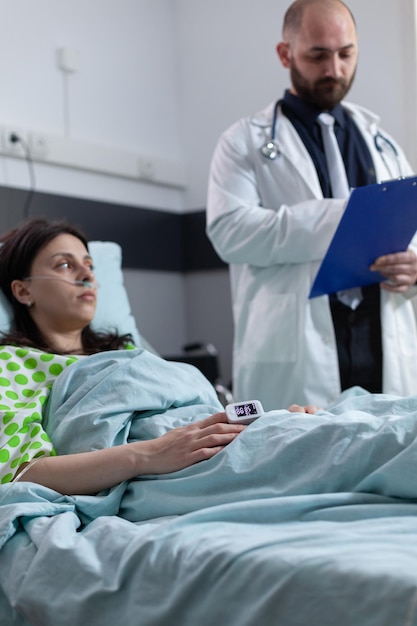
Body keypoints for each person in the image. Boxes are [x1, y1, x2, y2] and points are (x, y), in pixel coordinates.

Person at [0, 217, 315, 495]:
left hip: (209, 447)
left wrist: (268, 422)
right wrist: (151, 454)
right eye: (65, 265)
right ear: (23, 291)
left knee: (318, 429)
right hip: (166, 470)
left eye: (90, 265)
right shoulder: (11, 364)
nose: (87, 275)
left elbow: (198, 422)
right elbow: (20, 472)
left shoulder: (127, 355)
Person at [206, 0, 417, 411]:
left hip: (380, 342)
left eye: (345, 54)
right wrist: (341, 217)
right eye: (318, 55)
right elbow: (230, 232)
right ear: (286, 54)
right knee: (303, 464)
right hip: (298, 352)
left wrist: (415, 267)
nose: (334, 70)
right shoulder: (242, 143)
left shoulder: (385, 145)